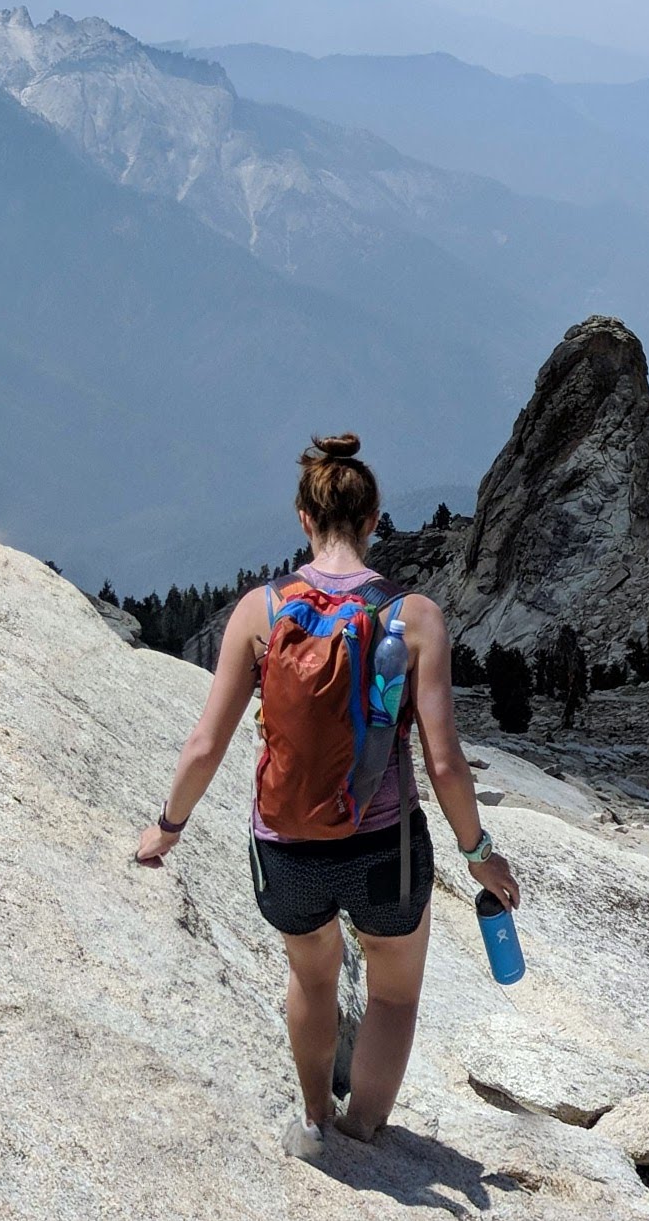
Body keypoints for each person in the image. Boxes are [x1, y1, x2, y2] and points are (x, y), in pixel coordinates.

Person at [136, 433, 522, 1156]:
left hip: (285, 847)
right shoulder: (415, 617)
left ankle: (314, 1121)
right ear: (374, 521)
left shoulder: (260, 610)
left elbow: (205, 744)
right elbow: (443, 763)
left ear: (303, 519)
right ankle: (364, 1127)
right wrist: (479, 854)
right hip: (384, 845)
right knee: (394, 993)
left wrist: (167, 826)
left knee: (310, 978)